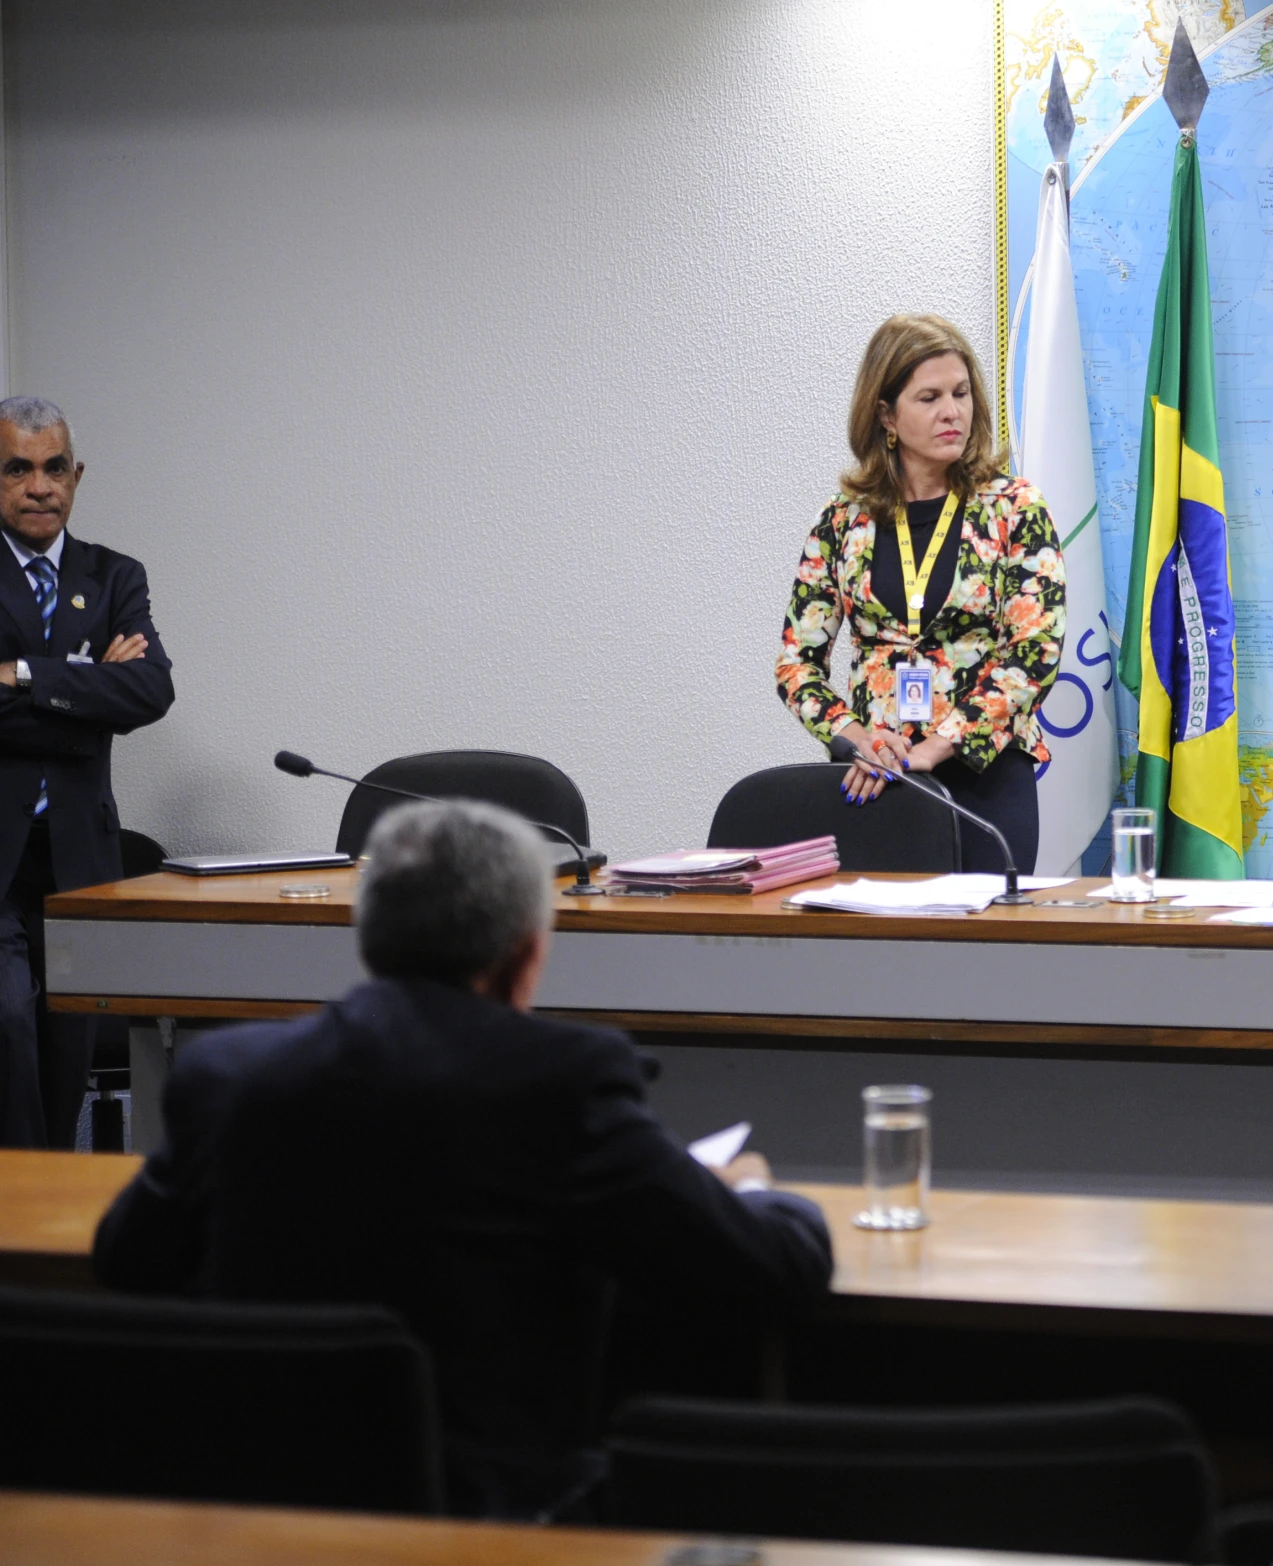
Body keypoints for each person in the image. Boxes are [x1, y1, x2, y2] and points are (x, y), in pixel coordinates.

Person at [93, 801, 833, 1518]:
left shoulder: (225, 1074)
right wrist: (759, 1192)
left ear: (365, 935)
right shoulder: (559, 1082)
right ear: (526, 954)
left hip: (255, 1513)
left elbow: (127, 1260)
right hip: (491, 1516)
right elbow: (772, 1268)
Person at [777, 313, 1066, 874]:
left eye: (961, 393)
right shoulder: (840, 522)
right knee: (879, 956)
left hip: (986, 777)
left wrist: (937, 747)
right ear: (886, 414)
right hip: (877, 777)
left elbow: (1035, 652)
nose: (952, 411)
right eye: (929, 397)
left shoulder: (1014, 509)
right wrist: (854, 738)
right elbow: (796, 666)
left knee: (981, 954)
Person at [0, 397, 172, 1148]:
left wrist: (22, 678)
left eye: (54, 468)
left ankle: (51, 1203)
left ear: (77, 475)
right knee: (7, 1026)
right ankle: (22, 1211)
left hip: (78, 855)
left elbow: (148, 690)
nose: (39, 487)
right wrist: (83, 686)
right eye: (18, 468)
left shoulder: (113, 576)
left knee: (69, 1040)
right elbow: (111, 699)